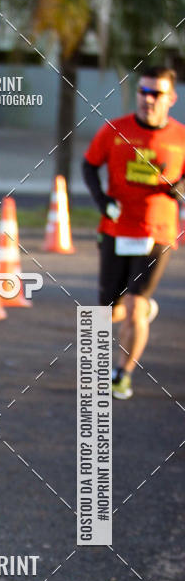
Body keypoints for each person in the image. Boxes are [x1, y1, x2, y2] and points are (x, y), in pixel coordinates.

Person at [82, 65, 185, 399]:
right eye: (143, 91)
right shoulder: (115, 129)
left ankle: (121, 373)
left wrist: (180, 188)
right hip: (116, 228)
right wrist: (102, 200)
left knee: (136, 306)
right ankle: (134, 307)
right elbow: (89, 165)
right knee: (109, 310)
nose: (148, 99)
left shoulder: (181, 137)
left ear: (171, 98)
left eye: (156, 93)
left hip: (158, 232)